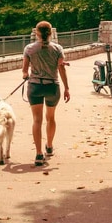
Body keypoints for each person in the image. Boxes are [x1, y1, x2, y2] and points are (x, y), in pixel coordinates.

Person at [22, 21, 70, 166]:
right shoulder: (58, 48)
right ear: (50, 33)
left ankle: (38, 154)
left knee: (37, 120)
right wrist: (67, 88)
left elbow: (24, 70)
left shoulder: (29, 49)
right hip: (52, 87)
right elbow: (62, 69)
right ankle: (49, 146)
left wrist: (26, 75)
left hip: (35, 87)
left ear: (36, 33)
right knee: (50, 118)